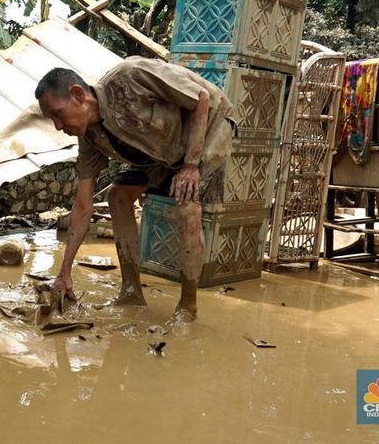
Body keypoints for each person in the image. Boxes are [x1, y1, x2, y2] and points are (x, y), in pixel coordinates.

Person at [35, 57, 235, 322]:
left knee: (186, 202)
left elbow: (200, 98)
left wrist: (190, 165)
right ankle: (131, 292)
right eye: (52, 120)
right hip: (158, 154)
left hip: (209, 128)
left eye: (58, 114)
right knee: (117, 197)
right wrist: (64, 273)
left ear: (77, 94)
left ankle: (188, 306)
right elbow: (83, 206)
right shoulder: (90, 137)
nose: (59, 126)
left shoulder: (131, 76)